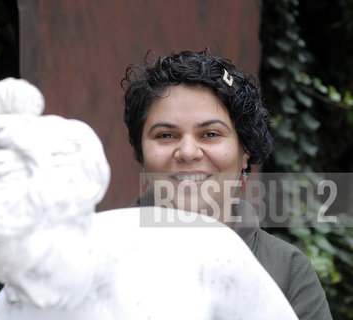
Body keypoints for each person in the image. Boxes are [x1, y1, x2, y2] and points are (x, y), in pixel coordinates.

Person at [121, 49, 332, 320]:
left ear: (246, 150)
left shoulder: (287, 272)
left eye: (210, 134)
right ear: (141, 152)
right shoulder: (95, 250)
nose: (187, 152)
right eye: (165, 135)